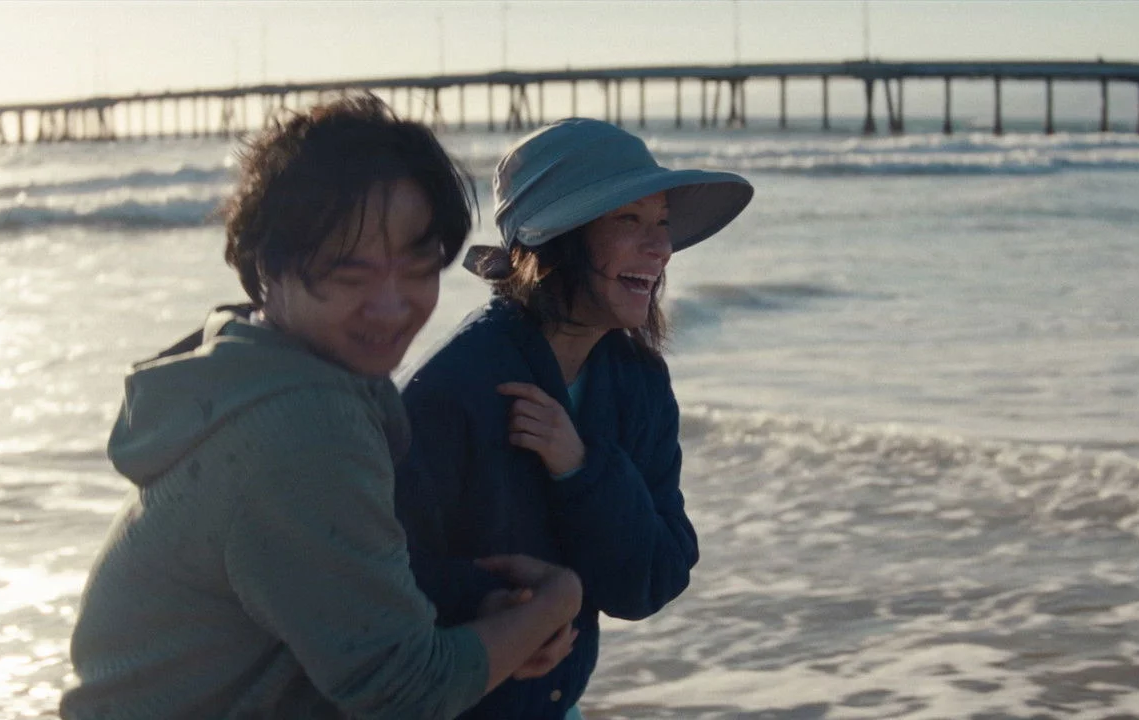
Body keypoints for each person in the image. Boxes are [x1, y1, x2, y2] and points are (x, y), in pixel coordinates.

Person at [61, 96, 582, 720]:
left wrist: (479, 612)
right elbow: (405, 694)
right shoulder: (304, 428)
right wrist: (556, 601)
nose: (390, 306)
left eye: (417, 266)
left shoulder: (244, 362)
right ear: (266, 267)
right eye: (348, 273)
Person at [395, 118, 754, 719]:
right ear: (557, 242)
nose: (661, 248)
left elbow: (651, 581)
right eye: (629, 220)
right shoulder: (453, 388)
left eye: (662, 222)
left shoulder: (637, 382)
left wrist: (582, 469)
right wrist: (497, 611)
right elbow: (371, 582)